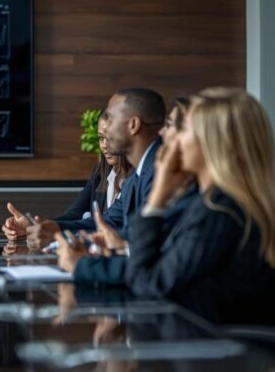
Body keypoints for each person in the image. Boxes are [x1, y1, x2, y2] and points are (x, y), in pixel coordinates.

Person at [57, 88, 275, 303]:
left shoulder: (221, 210)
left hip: (214, 336)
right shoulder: (210, 201)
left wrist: (157, 198)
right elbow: (162, 266)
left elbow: (152, 281)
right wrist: (120, 249)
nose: (165, 135)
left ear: (213, 141)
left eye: (182, 129)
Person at [3, 88, 165, 249]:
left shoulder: (161, 172)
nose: (105, 129)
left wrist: (79, 260)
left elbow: (143, 242)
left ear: (133, 125)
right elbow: (109, 222)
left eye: (110, 118)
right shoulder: (137, 175)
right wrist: (47, 229)